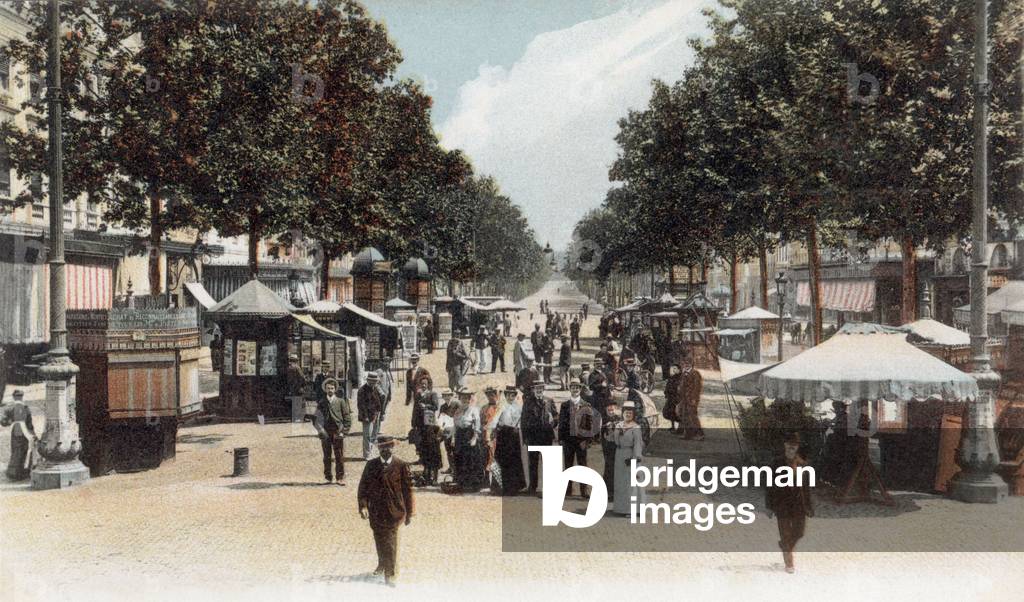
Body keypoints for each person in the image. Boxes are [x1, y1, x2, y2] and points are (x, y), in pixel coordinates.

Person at [357, 435, 414, 586]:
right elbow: (363, 488)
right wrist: (363, 506)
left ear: (393, 448)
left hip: (395, 511)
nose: (385, 450)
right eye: (382, 447)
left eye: (388, 447)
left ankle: (391, 573)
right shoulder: (371, 466)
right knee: (379, 538)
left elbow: (408, 491)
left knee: (391, 542)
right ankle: (382, 563)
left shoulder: (401, 465)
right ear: (378, 449)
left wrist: (410, 512)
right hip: (376, 511)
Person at [765, 432, 814, 574]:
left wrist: (809, 506)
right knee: (785, 533)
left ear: (797, 447)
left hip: (799, 504)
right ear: (784, 445)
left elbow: (807, 488)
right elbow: (769, 486)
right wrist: (769, 506)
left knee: (799, 532)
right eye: (789, 444)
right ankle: (789, 561)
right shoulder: (776, 463)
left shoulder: (802, 465)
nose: (791, 447)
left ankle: (785, 546)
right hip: (782, 504)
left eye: (795, 445)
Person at [556, 378, 597, 498]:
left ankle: (584, 490)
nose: (575, 389)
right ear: (570, 389)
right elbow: (562, 423)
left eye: (577, 387)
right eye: (573, 387)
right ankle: (568, 490)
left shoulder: (586, 405)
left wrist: (588, 440)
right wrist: (561, 439)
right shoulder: (564, 405)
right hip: (568, 440)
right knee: (568, 465)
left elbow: (590, 425)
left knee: (583, 465)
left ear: (580, 389)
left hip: (581, 441)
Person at [608, 400, 646, 515]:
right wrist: (610, 431)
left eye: (630, 413)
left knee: (631, 482)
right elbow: (612, 440)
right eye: (626, 413)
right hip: (619, 455)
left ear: (633, 414)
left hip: (630, 456)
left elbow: (638, 445)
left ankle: (632, 510)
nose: (628, 415)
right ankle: (620, 508)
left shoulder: (636, 428)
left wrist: (635, 458)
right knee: (621, 482)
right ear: (622, 413)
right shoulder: (618, 425)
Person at [313, 378, 352, 484]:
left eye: (332, 388)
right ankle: (328, 477)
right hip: (326, 432)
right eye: (328, 388)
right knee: (327, 456)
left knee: (339, 455)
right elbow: (316, 419)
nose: (330, 390)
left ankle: (340, 477)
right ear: (325, 389)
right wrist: (321, 431)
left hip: (337, 431)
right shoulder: (322, 402)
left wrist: (344, 431)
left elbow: (347, 418)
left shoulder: (341, 401)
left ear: (335, 389)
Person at [521, 378, 556, 495]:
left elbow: (556, 417)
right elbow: (523, 421)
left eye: (541, 388)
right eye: (537, 389)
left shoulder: (550, 401)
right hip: (533, 437)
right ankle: (532, 486)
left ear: (544, 389)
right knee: (533, 463)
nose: (539, 390)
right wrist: (525, 437)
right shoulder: (528, 402)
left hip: (546, 437)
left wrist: (553, 421)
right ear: (533, 390)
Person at [491, 385, 526, 496]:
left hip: (514, 435)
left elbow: (521, 420)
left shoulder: (518, 407)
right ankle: (500, 488)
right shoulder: (501, 406)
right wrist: (493, 430)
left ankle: (513, 487)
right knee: (502, 460)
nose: (511, 397)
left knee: (514, 460)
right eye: (508, 395)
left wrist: (518, 428)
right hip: (503, 435)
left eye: (513, 395)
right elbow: (494, 420)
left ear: (515, 396)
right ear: (505, 395)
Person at [453, 387, 486, 492]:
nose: (465, 400)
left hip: (469, 434)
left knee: (471, 459)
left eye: (467, 398)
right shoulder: (457, 411)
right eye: (463, 398)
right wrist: (454, 438)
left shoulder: (474, 410)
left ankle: (474, 484)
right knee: (460, 458)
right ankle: (462, 483)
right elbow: (455, 425)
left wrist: (475, 437)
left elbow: (477, 425)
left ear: (470, 399)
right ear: (460, 398)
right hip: (460, 436)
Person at [411, 379, 443, 485]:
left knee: (433, 448)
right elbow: (415, 409)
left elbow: (436, 406)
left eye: (425, 384)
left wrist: (426, 406)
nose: (423, 386)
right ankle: (427, 473)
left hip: (430, 424)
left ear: (428, 385)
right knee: (424, 449)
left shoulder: (432, 394)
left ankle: (434, 475)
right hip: (421, 426)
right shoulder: (418, 395)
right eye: (422, 384)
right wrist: (414, 423)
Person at [1, 389, 35, 481]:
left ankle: (14, 472)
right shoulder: (26, 408)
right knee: (23, 449)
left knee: (16, 450)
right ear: (21, 397)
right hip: (25, 431)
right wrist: (32, 434)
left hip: (15, 430)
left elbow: (3, 422)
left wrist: (10, 421)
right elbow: (29, 423)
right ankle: (21, 471)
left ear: (13, 397)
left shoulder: (10, 408)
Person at [675, 355, 704, 440]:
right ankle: (688, 434)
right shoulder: (684, 373)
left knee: (692, 416)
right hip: (684, 398)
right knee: (684, 415)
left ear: (692, 364)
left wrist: (694, 399)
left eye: (688, 363)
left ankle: (700, 434)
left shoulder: (695, 373)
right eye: (685, 363)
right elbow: (682, 385)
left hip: (692, 398)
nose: (686, 364)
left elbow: (697, 387)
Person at [357, 372, 384, 460]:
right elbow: (361, 405)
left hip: (376, 414)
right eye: (371, 381)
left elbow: (380, 401)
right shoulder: (362, 390)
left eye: (375, 381)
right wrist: (365, 416)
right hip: (367, 416)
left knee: (374, 434)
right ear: (368, 380)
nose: (373, 383)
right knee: (367, 435)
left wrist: (380, 412)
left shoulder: (376, 389)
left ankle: (370, 450)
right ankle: (367, 454)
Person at [481, 386, 502, 488]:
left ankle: (495, 483)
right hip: (485, 437)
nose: (491, 397)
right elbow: (481, 422)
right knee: (485, 458)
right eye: (488, 395)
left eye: (493, 395)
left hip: (496, 437)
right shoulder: (484, 408)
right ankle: (485, 481)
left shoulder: (500, 408)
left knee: (495, 459)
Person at [437, 389, 457, 475]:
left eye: (448, 395)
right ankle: (451, 468)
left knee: (454, 451)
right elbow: (440, 419)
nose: (446, 397)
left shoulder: (456, 404)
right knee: (448, 450)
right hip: (446, 431)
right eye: (445, 395)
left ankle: (456, 469)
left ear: (451, 395)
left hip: (455, 430)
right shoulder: (443, 407)